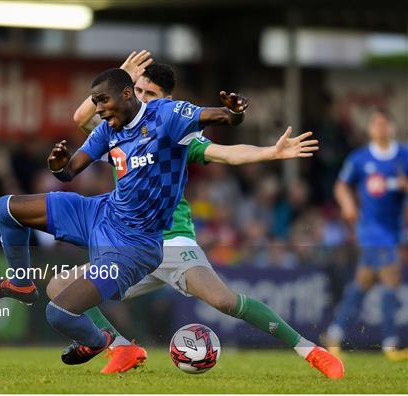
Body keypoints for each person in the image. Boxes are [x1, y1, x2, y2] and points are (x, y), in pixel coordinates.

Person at [47, 52, 344, 379]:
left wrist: (270, 152)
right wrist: (120, 73)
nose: (143, 98)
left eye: (151, 94)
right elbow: (81, 117)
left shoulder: (172, 129)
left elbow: (227, 154)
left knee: (224, 301)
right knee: (60, 286)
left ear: (166, 100)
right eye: (139, 90)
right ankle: (121, 347)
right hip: (129, 244)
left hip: (171, 239)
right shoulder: (117, 130)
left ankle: (311, 351)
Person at [0, 67, 250, 367]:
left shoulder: (166, 115)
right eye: (95, 102)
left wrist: (234, 112)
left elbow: (222, 117)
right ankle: (20, 283)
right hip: (101, 214)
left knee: (58, 313)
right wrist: (58, 167)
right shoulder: (108, 130)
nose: (99, 108)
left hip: (134, 246)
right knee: (7, 208)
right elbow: (70, 172)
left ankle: (104, 341)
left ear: (127, 93)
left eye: (103, 100)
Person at [324, 109, 408, 362]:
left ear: (391, 127)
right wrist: (348, 205)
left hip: (393, 229)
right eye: (377, 124)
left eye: (385, 124)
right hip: (370, 228)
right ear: (370, 129)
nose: (381, 128)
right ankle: (391, 343)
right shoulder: (360, 158)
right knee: (391, 279)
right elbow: (340, 186)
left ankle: (334, 332)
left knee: (363, 283)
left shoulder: (403, 155)